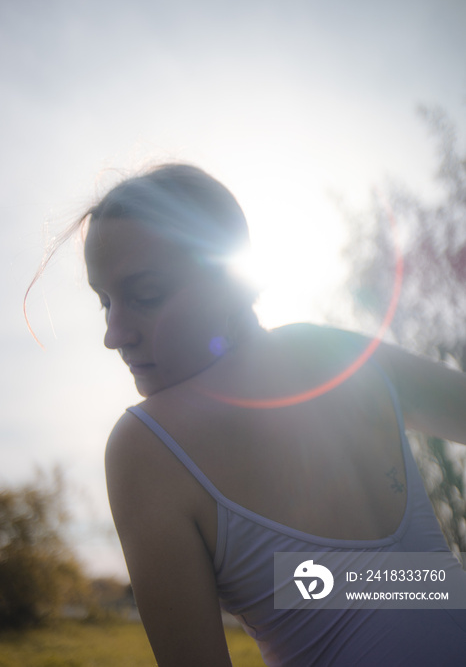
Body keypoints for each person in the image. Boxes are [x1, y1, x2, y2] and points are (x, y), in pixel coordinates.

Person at [37, 164, 466, 665]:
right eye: (105, 303)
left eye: (145, 295)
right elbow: (396, 588)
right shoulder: (338, 353)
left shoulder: (149, 445)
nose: (114, 334)